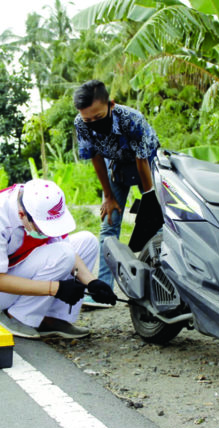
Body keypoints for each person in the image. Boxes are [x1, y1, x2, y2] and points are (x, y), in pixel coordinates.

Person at [0, 179, 117, 339]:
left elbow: (66, 248)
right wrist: (56, 288)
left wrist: (92, 283)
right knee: (63, 254)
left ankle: (52, 318)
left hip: (20, 265)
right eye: (43, 229)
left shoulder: (39, 202)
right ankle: (16, 318)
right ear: (22, 215)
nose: (48, 233)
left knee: (88, 241)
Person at [73, 80, 159, 307]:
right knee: (109, 223)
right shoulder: (81, 124)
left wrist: (150, 199)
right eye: (88, 119)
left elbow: (142, 161)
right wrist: (109, 197)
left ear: (111, 104)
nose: (93, 124)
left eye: (98, 118)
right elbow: (96, 157)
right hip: (116, 164)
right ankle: (102, 292)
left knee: (157, 225)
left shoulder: (132, 119)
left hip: (148, 164)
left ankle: (160, 284)